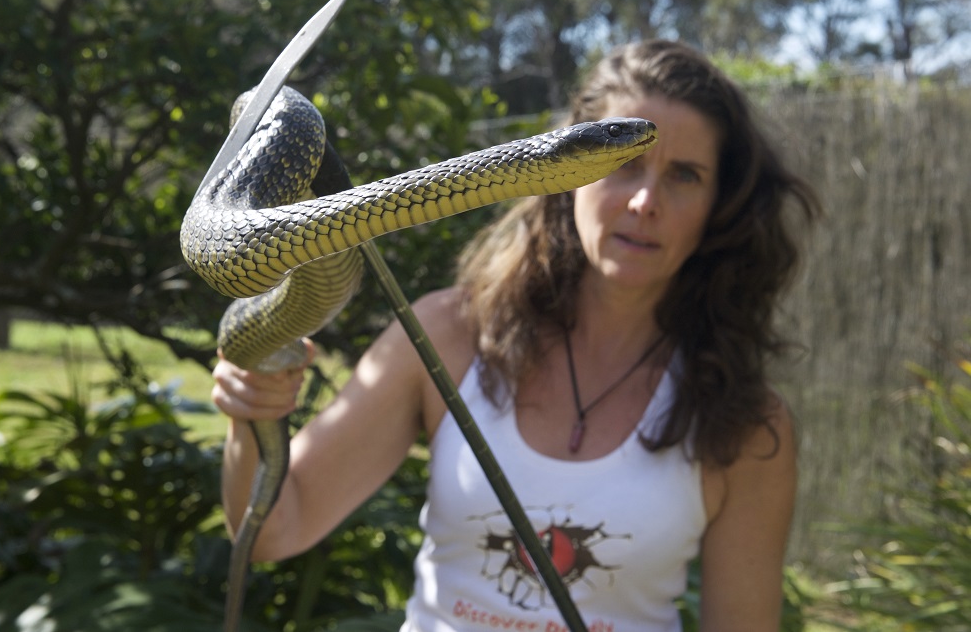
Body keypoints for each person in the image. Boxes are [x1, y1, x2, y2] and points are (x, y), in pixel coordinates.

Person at [212, 39, 820, 631]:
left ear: (721, 204)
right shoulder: (448, 334)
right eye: (625, 162)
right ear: (569, 173)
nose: (644, 201)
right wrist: (250, 412)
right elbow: (271, 529)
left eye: (684, 175)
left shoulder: (746, 425)